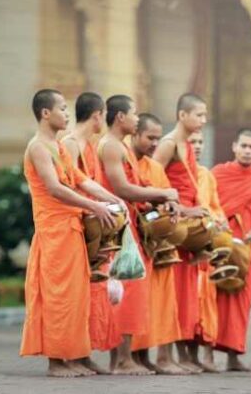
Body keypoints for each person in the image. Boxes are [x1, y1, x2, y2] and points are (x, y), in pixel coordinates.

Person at [20, 89, 120, 378]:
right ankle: (56, 361)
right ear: (45, 113)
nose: (67, 113)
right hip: (53, 233)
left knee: (77, 297)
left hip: (71, 229)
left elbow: (81, 180)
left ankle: (74, 356)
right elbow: (54, 187)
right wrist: (93, 206)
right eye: (62, 108)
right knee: (58, 296)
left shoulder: (59, 146)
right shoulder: (38, 146)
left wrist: (113, 201)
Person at [96, 94, 178, 375]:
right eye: (133, 114)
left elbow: (137, 186)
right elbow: (122, 188)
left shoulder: (120, 147)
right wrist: (162, 193)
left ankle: (123, 358)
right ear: (120, 117)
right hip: (118, 229)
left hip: (129, 225)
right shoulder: (109, 146)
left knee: (129, 292)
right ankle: (121, 361)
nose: (136, 118)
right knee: (124, 291)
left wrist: (159, 201)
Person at [62, 91, 122, 374]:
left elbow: (88, 182)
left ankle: (84, 353)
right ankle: (70, 356)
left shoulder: (88, 144)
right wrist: (96, 206)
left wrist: (111, 201)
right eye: (103, 115)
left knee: (93, 294)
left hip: (91, 224)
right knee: (75, 295)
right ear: (98, 115)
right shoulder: (71, 144)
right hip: (75, 225)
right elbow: (69, 186)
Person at [129, 112, 190, 375]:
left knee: (163, 302)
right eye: (150, 137)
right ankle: (136, 357)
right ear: (135, 134)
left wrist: (172, 206)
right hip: (135, 241)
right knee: (137, 300)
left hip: (158, 244)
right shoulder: (127, 162)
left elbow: (168, 195)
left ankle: (158, 357)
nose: (155, 143)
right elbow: (125, 192)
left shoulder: (154, 167)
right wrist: (158, 198)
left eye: (157, 137)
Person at [153, 93, 210, 373]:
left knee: (184, 296)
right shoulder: (167, 144)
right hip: (172, 227)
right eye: (199, 114)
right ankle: (163, 357)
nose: (203, 120)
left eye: (205, 115)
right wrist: (184, 211)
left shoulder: (186, 145)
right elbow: (150, 182)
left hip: (188, 231)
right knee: (169, 295)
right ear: (182, 115)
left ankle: (175, 356)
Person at [212, 128, 251, 372]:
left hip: (246, 247)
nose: (248, 151)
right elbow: (207, 203)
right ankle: (206, 354)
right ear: (234, 147)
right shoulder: (217, 174)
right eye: (244, 146)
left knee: (241, 299)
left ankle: (233, 355)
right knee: (212, 296)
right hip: (219, 244)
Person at [188, 130, 226, 373]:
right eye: (193, 142)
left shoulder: (206, 175)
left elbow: (215, 206)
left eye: (201, 142)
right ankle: (189, 356)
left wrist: (220, 219)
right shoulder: (177, 173)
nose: (198, 146)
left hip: (208, 245)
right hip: (189, 246)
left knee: (209, 302)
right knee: (190, 301)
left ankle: (208, 355)